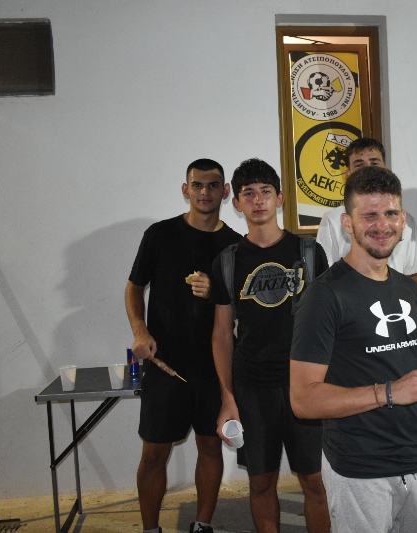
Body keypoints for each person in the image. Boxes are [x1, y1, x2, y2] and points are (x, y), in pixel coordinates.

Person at [290, 166, 417, 533]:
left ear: (403, 220)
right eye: (369, 215)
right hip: (359, 471)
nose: (382, 225)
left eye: (390, 213)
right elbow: (303, 400)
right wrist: (388, 392)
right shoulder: (324, 296)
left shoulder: (407, 290)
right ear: (347, 223)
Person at [210, 158, 330, 533]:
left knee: (315, 481)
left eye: (265, 191)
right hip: (253, 387)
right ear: (236, 203)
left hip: (304, 385)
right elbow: (221, 334)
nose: (258, 200)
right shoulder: (228, 262)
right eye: (248, 193)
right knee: (261, 482)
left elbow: (328, 325)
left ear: (280, 198)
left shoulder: (309, 253)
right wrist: (228, 397)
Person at [125, 159, 242, 533]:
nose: (205, 192)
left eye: (213, 185)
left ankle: (202, 525)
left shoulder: (235, 246)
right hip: (165, 364)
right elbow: (134, 288)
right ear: (185, 189)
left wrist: (216, 292)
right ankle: (150, 529)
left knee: (210, 446)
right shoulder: (160, 234)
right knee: (154, 452)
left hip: (214, 366)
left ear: (225, 191)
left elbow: (244, 305)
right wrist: (140, 332)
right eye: (198, 185)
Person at [316, 137, 417, 285]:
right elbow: (325, 275)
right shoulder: (331, 220)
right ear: (348, 174)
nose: (368, 168)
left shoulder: (407, 220)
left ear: (385, 168)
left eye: (374, 163)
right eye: (359, 164)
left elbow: (414, 274)